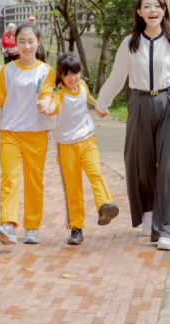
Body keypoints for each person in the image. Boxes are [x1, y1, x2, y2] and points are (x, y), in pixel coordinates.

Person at [95, 0, 170, 251]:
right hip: (140, 103)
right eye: (146, 6)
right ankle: (148, 214)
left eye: (157, 5)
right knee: (140, 164)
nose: (152, 10)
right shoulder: (130, 42)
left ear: (164, 10)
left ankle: (167, 229)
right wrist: (103, 103)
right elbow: (117, 76)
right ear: (140, 12)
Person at [41, 52, 120, 246]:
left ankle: (105, 206)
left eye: (76, 73)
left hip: (87, 139)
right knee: (73, 188)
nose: (73, 78)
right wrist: (46, 108)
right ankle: (76, 228)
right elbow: (53, 106)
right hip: (66, 145)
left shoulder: (83, 85)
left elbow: (89, 98)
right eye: (68, 74)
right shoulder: (60, 93)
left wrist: (100, 107)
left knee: (95, 172)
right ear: (61, 76)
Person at [0, 22, 55, 246]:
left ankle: (32, 226)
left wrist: (46, 104)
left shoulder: (47, 71)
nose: (26, 46)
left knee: (34, 181)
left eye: (30, 41)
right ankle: (8, 225)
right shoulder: (7, 71)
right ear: (14, 43)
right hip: (10, 133)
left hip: (36, 133)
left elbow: (48, 93)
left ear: (39, 42)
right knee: (10, 178)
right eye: (21, 42)